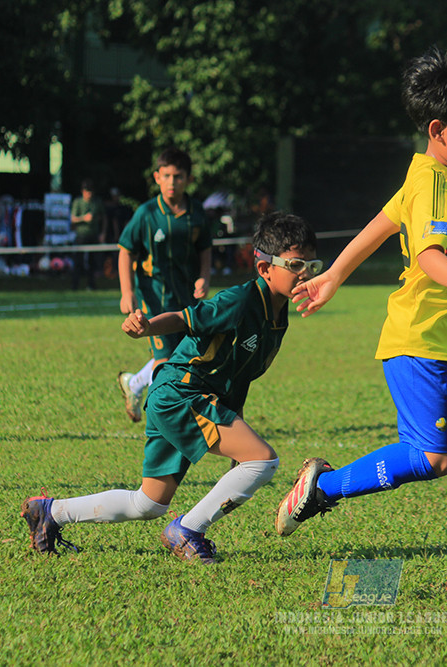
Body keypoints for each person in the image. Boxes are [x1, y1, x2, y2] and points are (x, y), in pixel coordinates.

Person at [273, 45, 447, 610]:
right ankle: (322, 487)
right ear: (438, 130)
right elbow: (427, 255)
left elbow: (383, 221)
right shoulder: (433, 181)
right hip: (421, 340)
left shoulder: (445, 172)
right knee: (434, 459)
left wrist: (334, 275)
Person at [20, 212, 321, 561]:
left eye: (311, 265)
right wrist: (147, 327)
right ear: (264, 267)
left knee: (148, 503)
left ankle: (50, 512)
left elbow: (239, 377)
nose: (305, 273)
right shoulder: (240, 302)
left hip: (182, 396)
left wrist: (238, 430)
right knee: (264, 460)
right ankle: (188, 530)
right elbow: (184, 317)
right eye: (295, 264)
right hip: (181, 395)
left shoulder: (278, 315)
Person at [116, 148, 213, 422]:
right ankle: (164, 422)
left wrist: (204, 277)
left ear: (188, 179)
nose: (172, 182)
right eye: (167, 176)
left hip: (186, 296)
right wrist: (127, 292)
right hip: (154, 296)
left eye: (178, 176)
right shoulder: (146, 213)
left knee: (186, 355)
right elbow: (125, 250)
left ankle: (134, 384)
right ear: (157, 177)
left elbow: (205, 248)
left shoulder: (196, 213)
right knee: (166, 358)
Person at [69, 179, 106, 290]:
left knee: (92, 262)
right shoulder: (78, 202)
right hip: (81, 235)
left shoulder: (97, 202)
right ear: (83, 191)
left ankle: (91, 285)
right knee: (78, 261)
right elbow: (73, 219)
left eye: (90, 191)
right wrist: (84, 218)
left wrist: (103, 233)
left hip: (93, 235)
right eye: (87, 191)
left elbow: (103, 218)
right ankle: (75, 286)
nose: (89, 194)